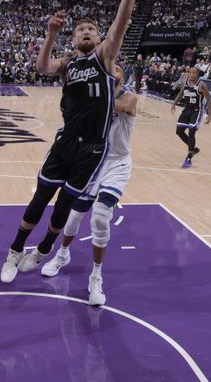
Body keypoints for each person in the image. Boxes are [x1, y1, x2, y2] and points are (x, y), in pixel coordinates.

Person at [0, 0, 146, 284]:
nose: (85, 32)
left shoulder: (104, 58)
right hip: (66, 141)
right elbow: (41, 66)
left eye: (91, 30)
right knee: (40, 198)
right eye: (80, 29)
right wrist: (50, 34)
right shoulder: (68, 64)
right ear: (73, 37)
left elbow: (123, 18)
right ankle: (15, 251)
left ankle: (45, 249)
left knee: (65, 205)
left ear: (100, 39)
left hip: (94, 147)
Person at [41, 66, 136, 306]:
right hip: (94, 160)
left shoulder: (127, 97)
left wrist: (93, 96)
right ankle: (62, 254)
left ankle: (96, 277)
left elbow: (123, 108)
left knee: (100, 217)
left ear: (122, 79)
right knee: (72, 218)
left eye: (116, 75)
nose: (112, 75)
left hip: (117, 164)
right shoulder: (92, 97)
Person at [171, 67, 211, 168]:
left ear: (197, 74)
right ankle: (193, 149)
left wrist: (210, 114)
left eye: (193, 73)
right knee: (179, 131)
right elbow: (181, 93)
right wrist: (174, 104)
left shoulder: (201, 85)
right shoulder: (185, 82)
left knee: (191, 131)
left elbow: (209, 99)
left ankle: (189, 158)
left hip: (196, 111)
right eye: (190, 72)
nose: (191, 74)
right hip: (186, 109)